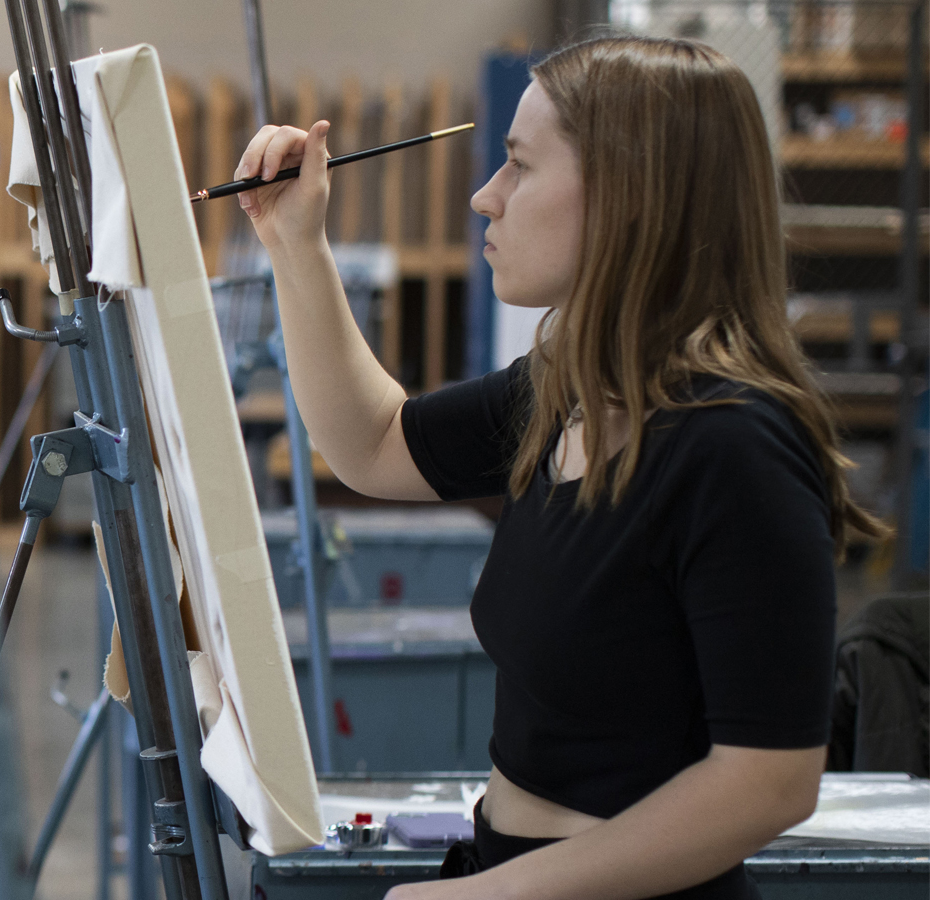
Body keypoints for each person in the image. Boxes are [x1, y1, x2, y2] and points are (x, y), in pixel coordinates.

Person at [235, 36, 887, 900]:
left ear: (628, 196)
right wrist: (295, 243)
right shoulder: (569, 391)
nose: (484, 198)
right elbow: (376, 443)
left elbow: (768, 781)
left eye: (517, 167)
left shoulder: (735, 448)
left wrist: (490, 897)